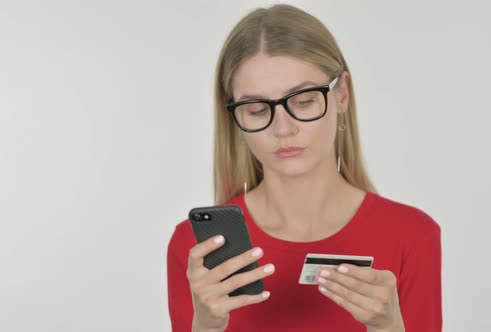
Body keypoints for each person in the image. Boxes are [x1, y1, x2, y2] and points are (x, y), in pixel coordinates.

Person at [167, 4, 441, 332]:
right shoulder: (196, 248)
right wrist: (207, 328)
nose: (283, 128)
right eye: (256, 110)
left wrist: (389, 328)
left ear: (341, 94)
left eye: (303, 101)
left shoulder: (412, 236)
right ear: (234, 118)